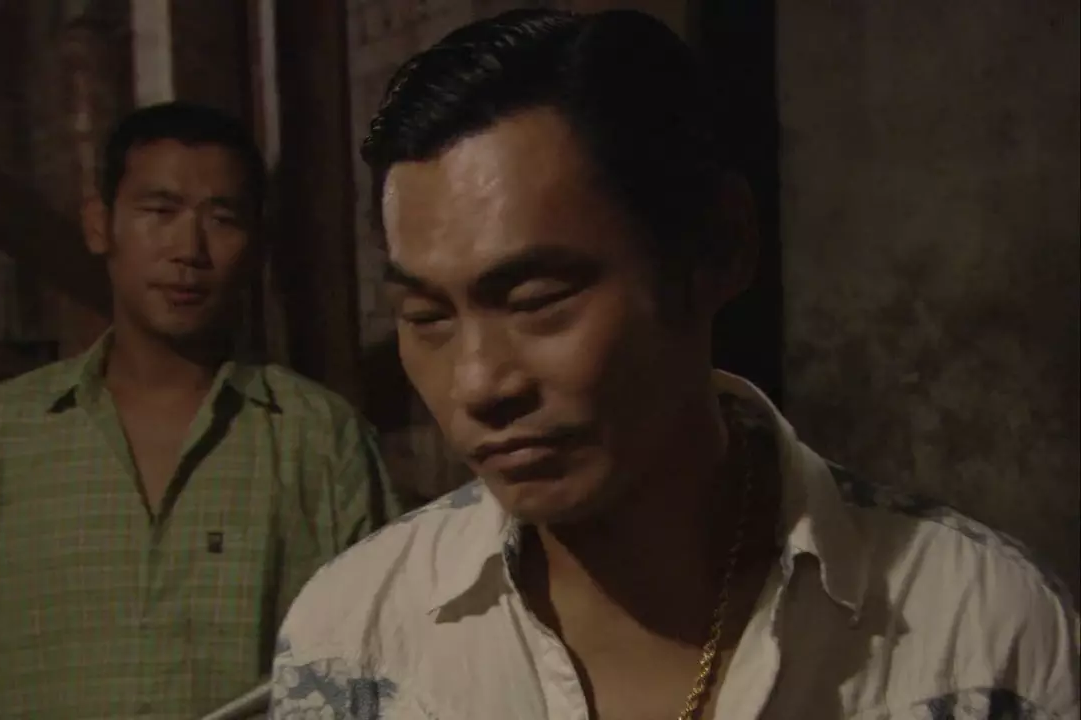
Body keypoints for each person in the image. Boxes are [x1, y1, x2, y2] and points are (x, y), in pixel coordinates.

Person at [267, 10, 1079, 720]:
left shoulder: (977, 628)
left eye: (538, 299)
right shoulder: (358, 639)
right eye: (427, 318)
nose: (478, 382)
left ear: (718, 250)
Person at [0, 101, 399, 720]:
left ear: (256, 245)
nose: (189, 249)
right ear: (99, 224)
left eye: (223, 219)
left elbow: (381, 656)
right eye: (159, 212)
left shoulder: (318, 438)